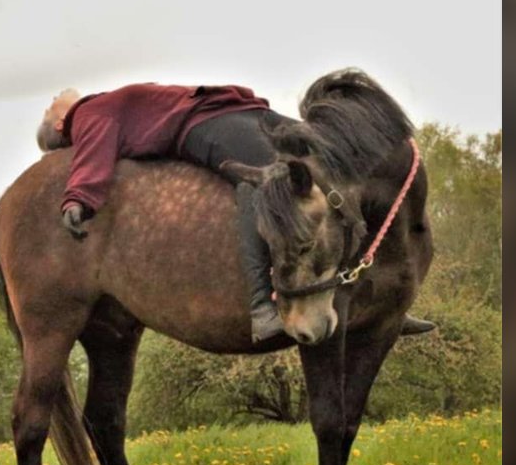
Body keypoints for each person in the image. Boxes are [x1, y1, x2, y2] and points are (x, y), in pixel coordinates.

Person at [37, 83, 435, 341]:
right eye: (55, 101)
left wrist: (78, 200)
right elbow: (94, 154)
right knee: (294, 181)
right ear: (61, 122)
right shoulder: (88, 113)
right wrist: (83, 195)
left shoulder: (99, 108)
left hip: (219, 118)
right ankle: (355, 304)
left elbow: (94, 159)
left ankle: (264, 307)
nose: (58, 93)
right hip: (226, 117)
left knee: (275, 185)